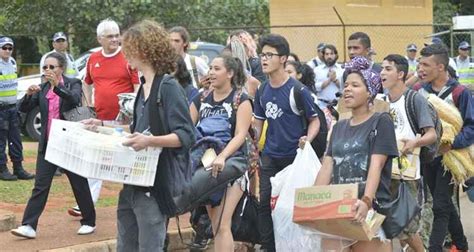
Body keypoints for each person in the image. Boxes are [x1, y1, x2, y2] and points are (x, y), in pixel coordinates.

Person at [84, 20, 195, 251]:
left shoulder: (168, 87)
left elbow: (185, 136)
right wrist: (102, 124)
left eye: (129, 48)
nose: (125, 54)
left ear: (145, 50)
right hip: (132, 184)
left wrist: (150, 141)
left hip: (155, 186)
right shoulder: (143, 87)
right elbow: (135, 130)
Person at [314, 56, 398, 252]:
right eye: (346, 86)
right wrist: (314, 201)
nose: (347, 90)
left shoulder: (381, 121)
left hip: (368, 209)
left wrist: (366, 201)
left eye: (355, 85)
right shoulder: (339, 127)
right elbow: (328, 166)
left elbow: (376, 165)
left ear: (370, 92)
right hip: (337, 207)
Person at [11, 52, 96, 239]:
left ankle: (89, 221)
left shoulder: (73, 83)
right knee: (40, 185)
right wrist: (27, 96)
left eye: (52, 67)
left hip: (69, 144)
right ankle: (28, 225)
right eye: (45, 68)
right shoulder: (42, 88)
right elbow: (22, 109)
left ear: (61, 68)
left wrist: (57, 86)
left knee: (78, 183)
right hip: (49, 144)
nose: (48, 71)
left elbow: (74, 100)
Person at [253, 34, 321, 252]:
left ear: (283, 59)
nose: (264, 60)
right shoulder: (262, 90)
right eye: (262, 55)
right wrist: (250, 140)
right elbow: (258, 123)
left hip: (294, 158)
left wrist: (307, 139)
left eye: (269, 55)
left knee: (291, 207)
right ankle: (268, 247)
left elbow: (315, 120)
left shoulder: (298, 90)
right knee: (265, 204)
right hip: (270, 155)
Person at [72, 18, 140, 217]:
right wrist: (87, 107)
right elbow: (86, 83)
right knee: (94, 160)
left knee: (126, 162)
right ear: (100, 38)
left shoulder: (128, 58)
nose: (115, 39)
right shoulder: (93, 59)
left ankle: (136, 203)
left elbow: (137, 89)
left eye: (117, 35)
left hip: (122, 123)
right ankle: (86, 204)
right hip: (99, 119)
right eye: (110, 36)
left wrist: (132, 112)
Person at [189, 55, 253, 252]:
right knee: (216, 224)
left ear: (231, 73)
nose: (211, 72)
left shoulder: (240, 99)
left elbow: (241, 134)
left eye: (217, 68)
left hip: (233, 165)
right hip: (207, 165)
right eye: (210, 68)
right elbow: (187, 129)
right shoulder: (200, 98)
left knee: (222, 225)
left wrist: (223, 156)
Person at [413, 43, 471, 252]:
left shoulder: (459, 92)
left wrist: (451, 144)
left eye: (426, 65)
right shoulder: (419, 91)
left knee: (439, 205)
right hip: (428, 156)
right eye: (419, 64)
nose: (421, 69)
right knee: (443, 201)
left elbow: (470, 126)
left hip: (450, 159)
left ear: (440, 67)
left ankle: (434, 248)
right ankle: (462, 245)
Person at [380, 54, 437, 252]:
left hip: (408, 175)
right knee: (389, 226)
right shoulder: (381, 101)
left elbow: (431, 134)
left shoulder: (414, 100)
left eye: (388, 69)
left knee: (407, 227)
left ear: (401, 74)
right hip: (384, 173)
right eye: (382, 68)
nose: (382, 73)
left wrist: (414, 142)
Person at [0, 36, 34, 181]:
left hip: (13, 108)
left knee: (16, 139)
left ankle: (18, 168)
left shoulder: (12, 62)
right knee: (1, 141)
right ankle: (2, 169)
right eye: (4, 48)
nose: (8, 51)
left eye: (10, 48)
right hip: (1, 109)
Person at [314, 44, 343, 109]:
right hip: (321, 105)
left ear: (335, 55)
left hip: (338, 106)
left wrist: (335, 80)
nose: (329, 56)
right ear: (323, 56)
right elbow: (314, 87)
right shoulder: (317, 70)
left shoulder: (342, 69)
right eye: (327, 54)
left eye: (331, 54)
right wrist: (329, 80)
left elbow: (344, 87)